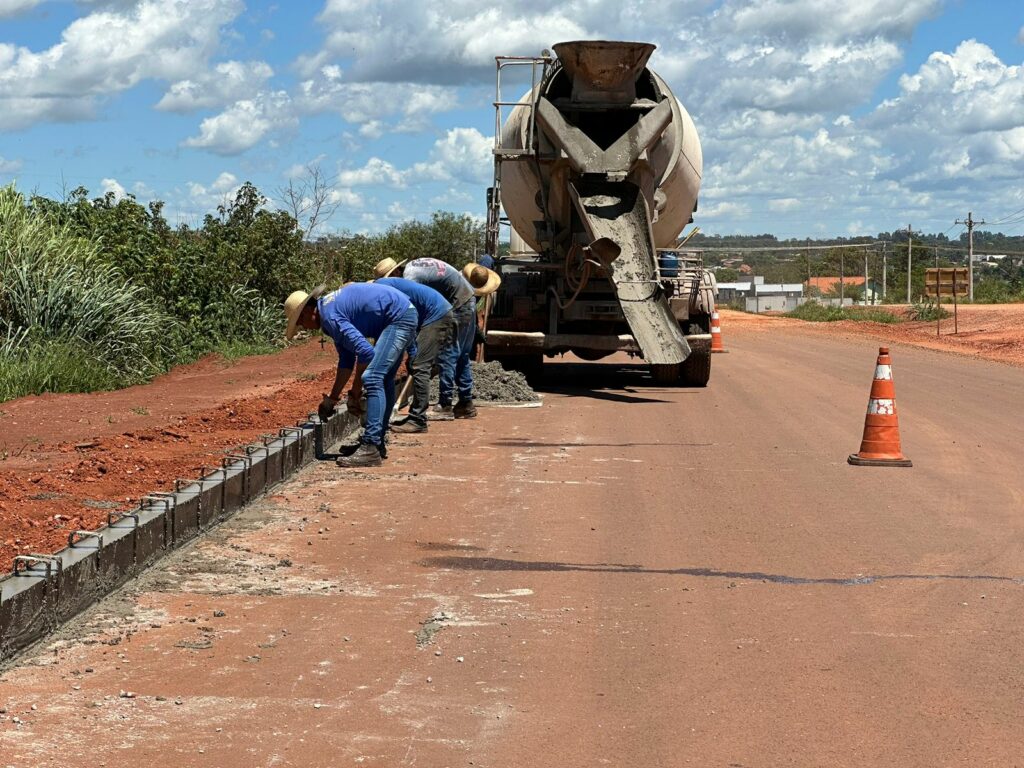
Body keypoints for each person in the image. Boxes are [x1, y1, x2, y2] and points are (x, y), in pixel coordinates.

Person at [284, 282, 417, 467]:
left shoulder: (331, 317)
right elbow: (346, 360)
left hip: (399, 318)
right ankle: (376, 445)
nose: (302, 327)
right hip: (402, 314)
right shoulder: (329, 313)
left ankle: (371, 447)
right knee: (384, 379)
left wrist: (355, 393)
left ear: (308, 311)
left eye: (299, 321)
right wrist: (332, 398)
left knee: (372, 377)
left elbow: (366, 353)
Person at [373, 257, 500, 419]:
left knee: (447, 354)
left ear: (396, 272)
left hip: (457, 303)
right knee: (461, 355)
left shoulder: (410, 278)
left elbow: (412, 313)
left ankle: (445, 404)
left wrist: (415, 349)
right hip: (466, 299)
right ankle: (465, 403)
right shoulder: (414, 267)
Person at [374, 275, 456, 433]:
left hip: (436, 314)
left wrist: (412, 352)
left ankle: (418, 419)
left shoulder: (382, 290)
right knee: (416, 363)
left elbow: (406, 314)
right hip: (430, 313)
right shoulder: (379, 290)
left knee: (420, 366)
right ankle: (416, 415)